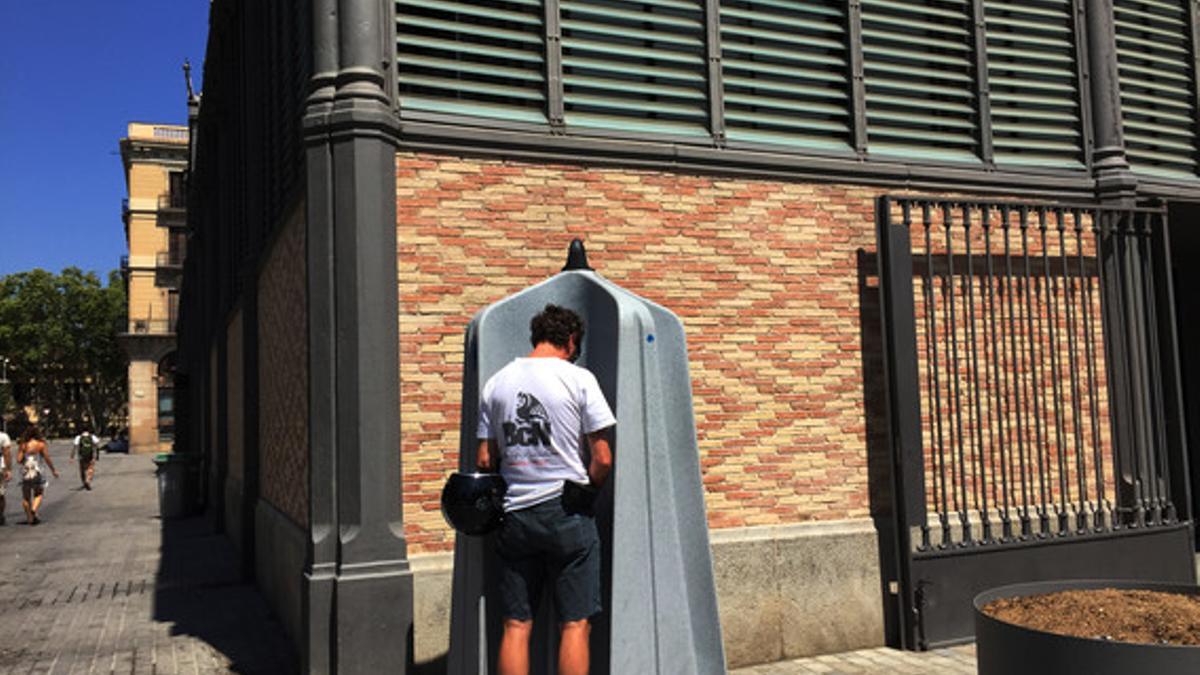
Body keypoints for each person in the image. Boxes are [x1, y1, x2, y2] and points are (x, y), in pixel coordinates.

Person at [477, 304, 615, 675]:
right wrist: (586, 493)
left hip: (515, 515)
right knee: (574, 624)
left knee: (516, 626)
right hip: (565, 513)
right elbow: (602, 458)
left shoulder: (497, 383)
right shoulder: (579, 379)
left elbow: (485, 459)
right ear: (571, 341)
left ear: (536, 337)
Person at [16, 425, 59, 525]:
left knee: (26, 497)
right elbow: (47, 458)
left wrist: (24, 459)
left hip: (26, 472)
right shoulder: (41, 444)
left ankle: (29, 518)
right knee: (38, 493)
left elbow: (18, 460)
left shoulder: (23, 445)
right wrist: (53, 470)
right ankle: (34, 510)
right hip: (37, 471)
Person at [71, 424, 101, 490]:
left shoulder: (78, 437)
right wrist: (97, 455)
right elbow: (97, 446)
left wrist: (72, 457)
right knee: (90, 468)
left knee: (82, 470)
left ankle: (84, 482)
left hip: (81, 456)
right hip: (90, 455)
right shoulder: (92, 437)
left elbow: (74, 448)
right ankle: (88, 480)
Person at [0, 429, 12, 525]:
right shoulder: (3, 436)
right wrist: (8, 470)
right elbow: (7, 454)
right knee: (1, 494)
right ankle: (0, 515)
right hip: (0, 468)